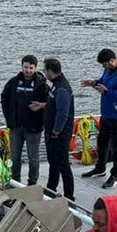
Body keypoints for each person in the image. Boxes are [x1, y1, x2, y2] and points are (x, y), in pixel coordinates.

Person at [81, 48, 117, 189]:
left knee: (116, 146)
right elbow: (103, 81)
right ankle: (100, 168)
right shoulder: (108, 70)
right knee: (102, 142)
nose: (103, 67)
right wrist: (93, 83)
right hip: (107, 113)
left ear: (112, 61)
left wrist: (107, 91)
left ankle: (116, 175)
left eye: (104, 65)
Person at [0, 54, 48, 186]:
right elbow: (4, 97)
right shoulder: (14, 82)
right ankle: (16, 182)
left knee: (33, 158)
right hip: (16, 127)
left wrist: (41, 119)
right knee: (15, 156)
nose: (28, 70)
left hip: (33, 128)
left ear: (36, 68)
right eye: (25, 67)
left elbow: (49, 104)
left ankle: (32, 183)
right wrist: (8, 117)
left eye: (31, 68)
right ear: (22, 67)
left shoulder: (42, 85)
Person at [40, 57, 76, 201]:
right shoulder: (55, 84)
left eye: (44, 70)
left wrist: (56, 131)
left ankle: (69, 196)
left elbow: (63, 113)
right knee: (53, 163)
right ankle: (51, 188)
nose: (43, 72)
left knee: (63, 165)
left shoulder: (61, 88)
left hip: (59, 135)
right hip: (51, 134)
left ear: (50, 71)